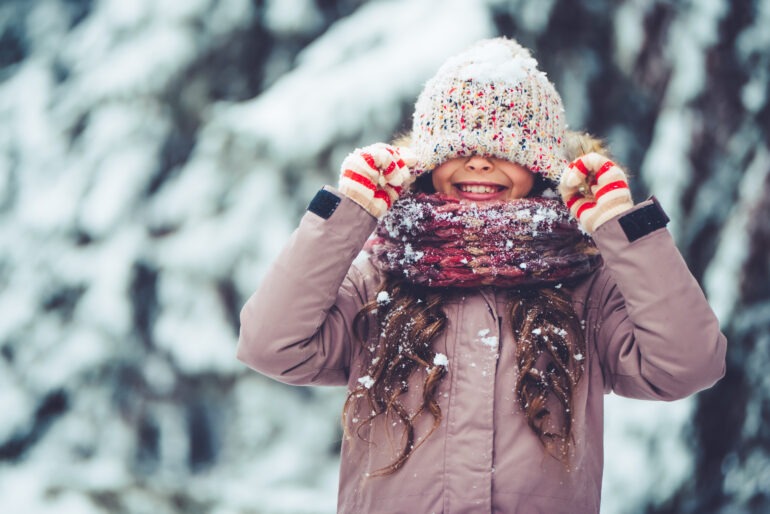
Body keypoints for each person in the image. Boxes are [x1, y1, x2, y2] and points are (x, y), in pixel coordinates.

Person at [237, 38, 727, 513]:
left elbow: (688, 365)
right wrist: (348, 214)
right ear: (428, 161)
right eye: (457, 146)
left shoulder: (588, 287)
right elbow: (271, 346)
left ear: (540, 166)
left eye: (506, 147)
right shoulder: (379, 277)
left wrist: (623, 229)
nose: (479, 161)